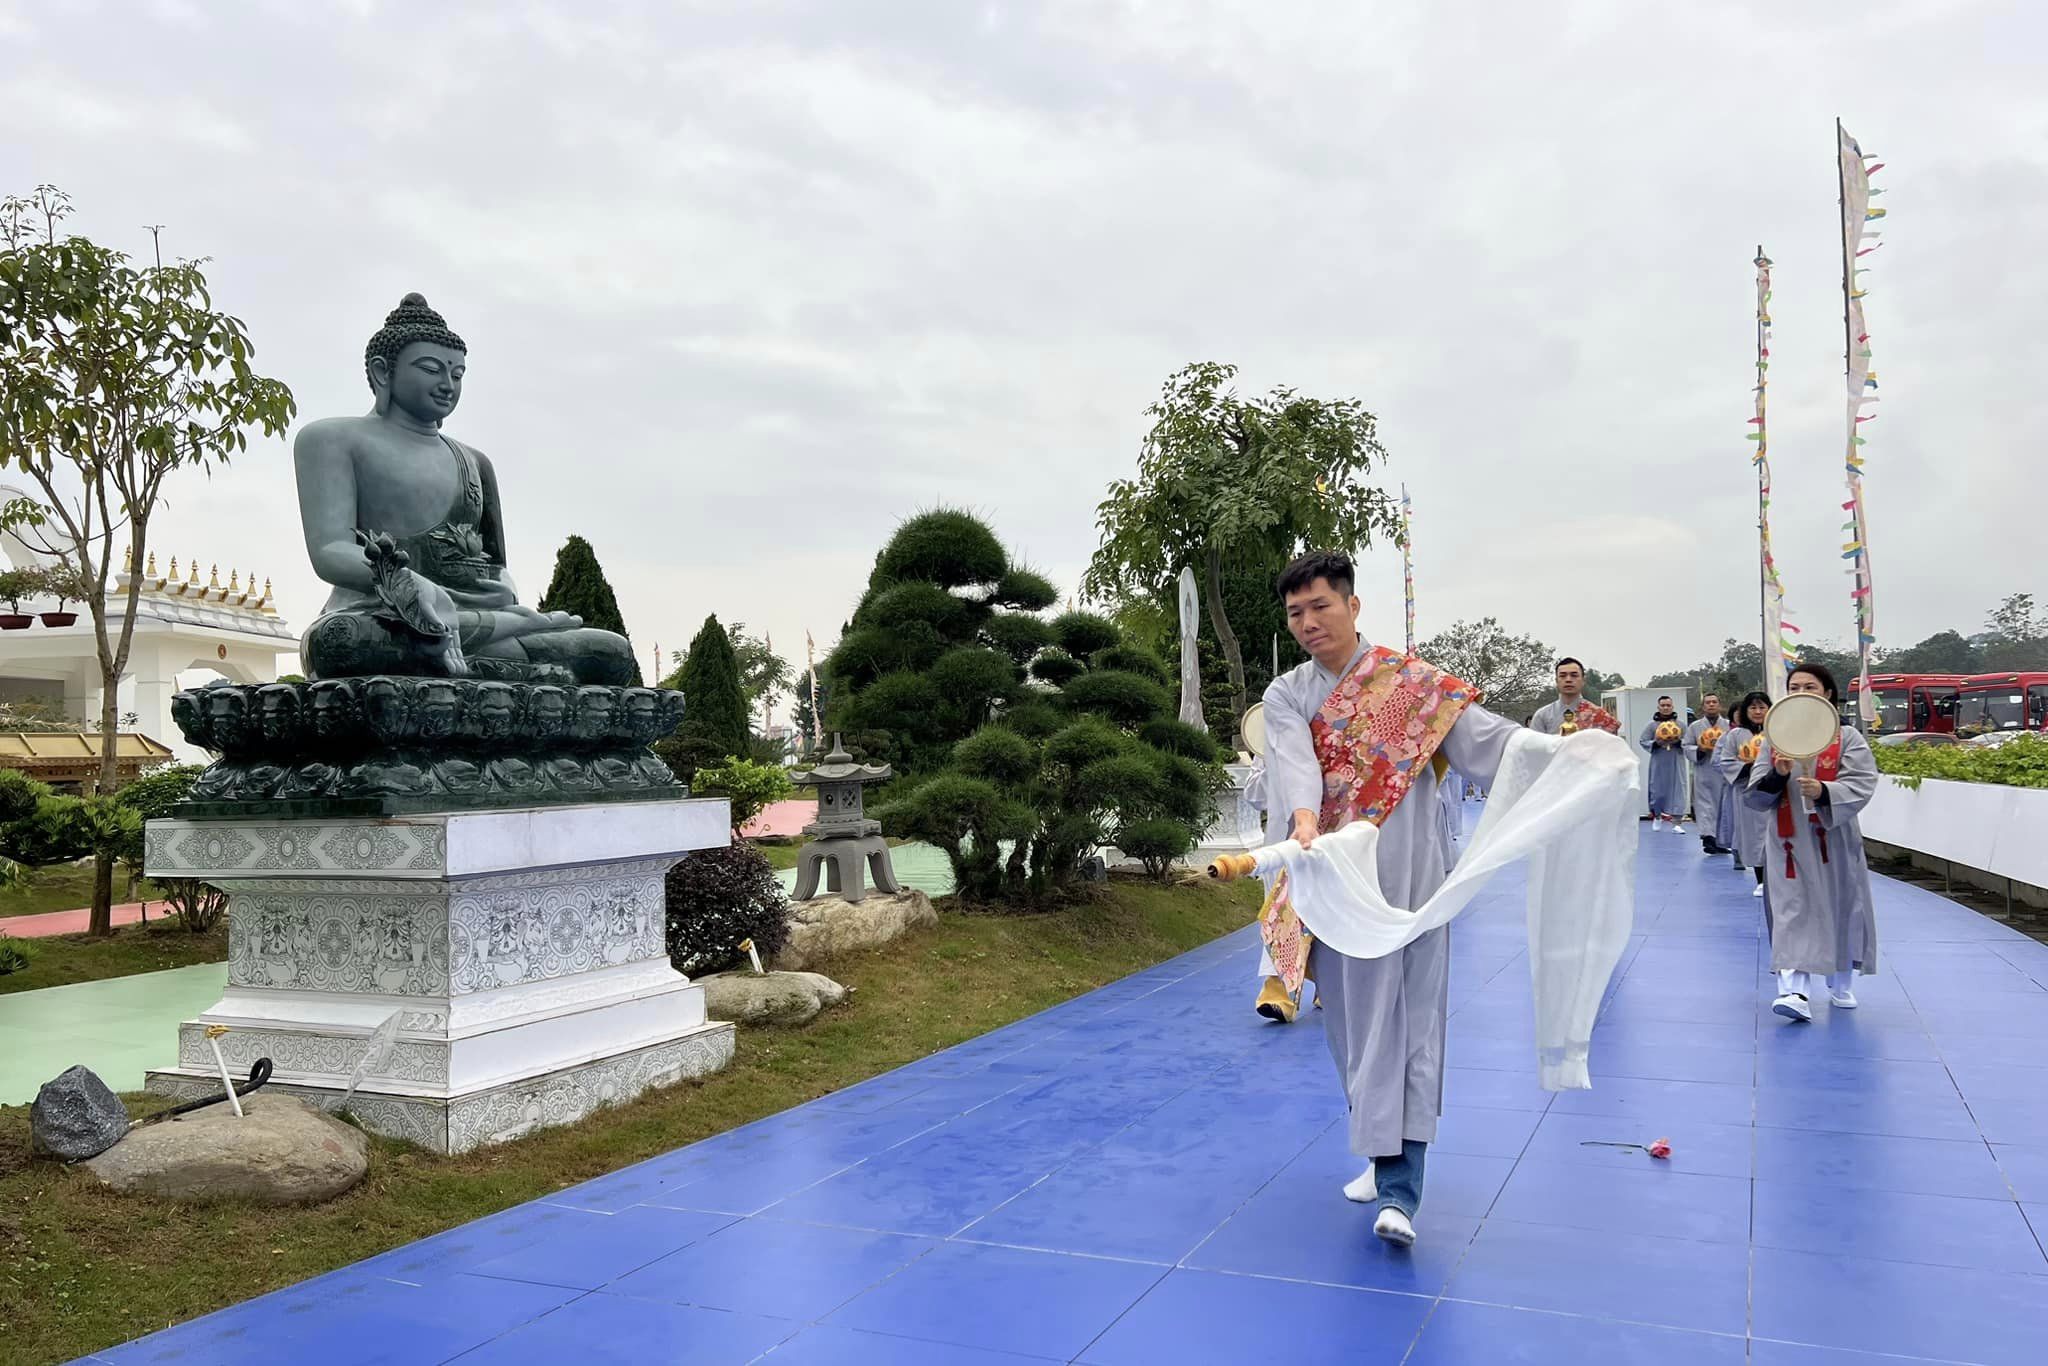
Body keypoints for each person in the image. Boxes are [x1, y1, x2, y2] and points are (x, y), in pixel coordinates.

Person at [1256, 551, 1524, 1248]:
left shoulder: (1415, 686)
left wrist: (1562, 755)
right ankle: (1381, 1154)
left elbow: (1490, 744)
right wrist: (1305, 818)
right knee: (1351, 1027)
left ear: (1352, 605)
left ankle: (1402, 1188)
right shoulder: (1287, 693)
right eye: (1295, 613)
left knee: (1408, 1025)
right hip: (1330, 880)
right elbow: (1295, 763)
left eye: (1321, 606)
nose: (1308, 622)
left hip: (1408, 885)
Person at [293, 294, 638, 684]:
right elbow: (330, 551)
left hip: (477, 619)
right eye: (431, 370)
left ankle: (481, 651)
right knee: (341, 642)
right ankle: (511, 665)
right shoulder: (331, 439)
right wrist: (411, 586)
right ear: (382, 372)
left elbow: (496, 568)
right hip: (385, 616)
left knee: (608, 652)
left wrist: (503, 600)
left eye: (457, 374)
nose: (447, 385)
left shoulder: (474, 462)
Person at [1743, 665, 1880, 1022]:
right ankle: (1794, 991)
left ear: (1827, 693)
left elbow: (1863, 781)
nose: (1801, 692)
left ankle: (1840, 980)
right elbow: (1755, 793)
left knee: (1840, 906)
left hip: (1832, 838)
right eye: (1794, 687)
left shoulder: (1847, 737)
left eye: (1810, 686)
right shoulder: (1775, 739)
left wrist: (1824, 791)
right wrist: (1778, 775)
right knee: (1792, 910)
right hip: (1788, 842)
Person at [1715, 692, 1773, 897]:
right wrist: (1748, 767)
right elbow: (1725, 762)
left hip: (1775, 790)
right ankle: (1761, 879)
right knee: (1755, 837)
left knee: (1776, 834)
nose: (1758, 712)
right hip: (1748, 792)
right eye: (1753, 708)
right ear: (1745, 711)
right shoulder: (1735, 735)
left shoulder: (1777, 731)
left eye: (1762, 707)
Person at [1684, 694, 1732, 854]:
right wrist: (1700, 750)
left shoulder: (1728, 725)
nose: (1711, 705)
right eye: (1708, 702)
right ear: (1703, 707)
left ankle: (1721, 841)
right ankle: (1708, 838)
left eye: (1714, 702)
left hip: (1723, 772)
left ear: (1720, 705)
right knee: (1705, 805)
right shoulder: (1695, 726)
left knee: (1722, 806)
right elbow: (1686, 746)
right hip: (1704, 769)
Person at [1640, 695, 1688, 832]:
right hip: (1659, 761)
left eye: (1668, 705)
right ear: (1658, 707)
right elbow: (1643, 740)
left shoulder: (1681, 725)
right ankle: (1657, 816)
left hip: (1676, 761)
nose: (1666, 708)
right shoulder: (1652, 725)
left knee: (1678, 790)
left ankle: (1677, 822)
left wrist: (1679, 742)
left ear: (1672, 707)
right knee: (1657, 790)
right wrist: (1656, 743)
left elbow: (1689, 741)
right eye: (1663, 705)